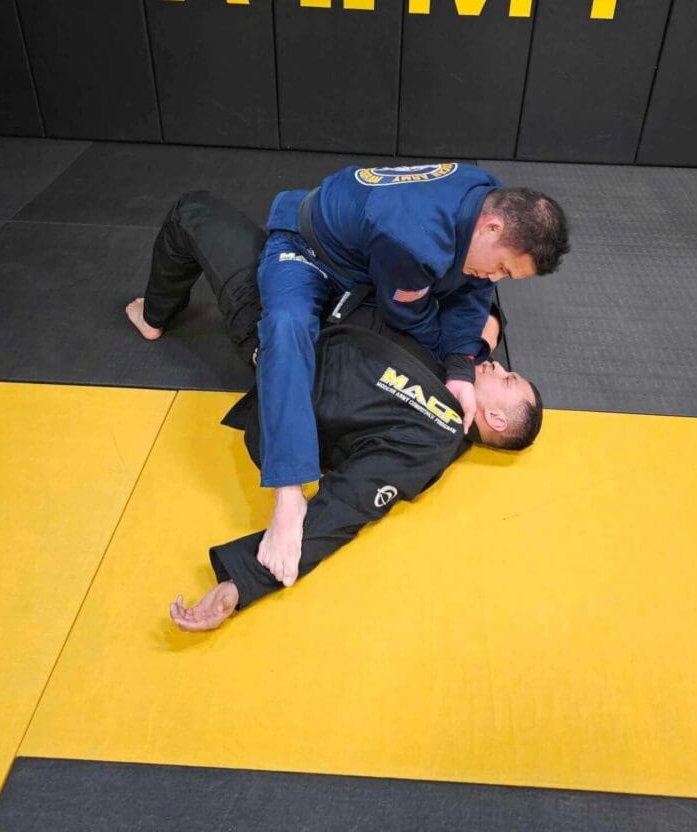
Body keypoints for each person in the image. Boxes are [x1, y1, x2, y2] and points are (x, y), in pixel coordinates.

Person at [124, 190, 544, 633]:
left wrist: (243, 582)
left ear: (496, 419)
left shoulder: (433, 436)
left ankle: (152, 315)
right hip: (317, 278)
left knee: (193, 210)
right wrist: (482, 338)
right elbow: (471, 295)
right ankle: (159, 310)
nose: (502, 369)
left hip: (280, 335)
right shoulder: (462, 359)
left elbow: (346, 505)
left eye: (510, 381)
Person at [239, 163, 568, 588]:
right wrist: (458, 362)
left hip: (366, 256)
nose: (497, 277)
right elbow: (408, 316)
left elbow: (474, 295)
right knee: (286, 328)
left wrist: (460, 370)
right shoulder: (414, 237)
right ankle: (287, 493)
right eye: (504, 267)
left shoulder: (491, 198)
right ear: (491, 227)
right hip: (306, 250)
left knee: (479, 312)